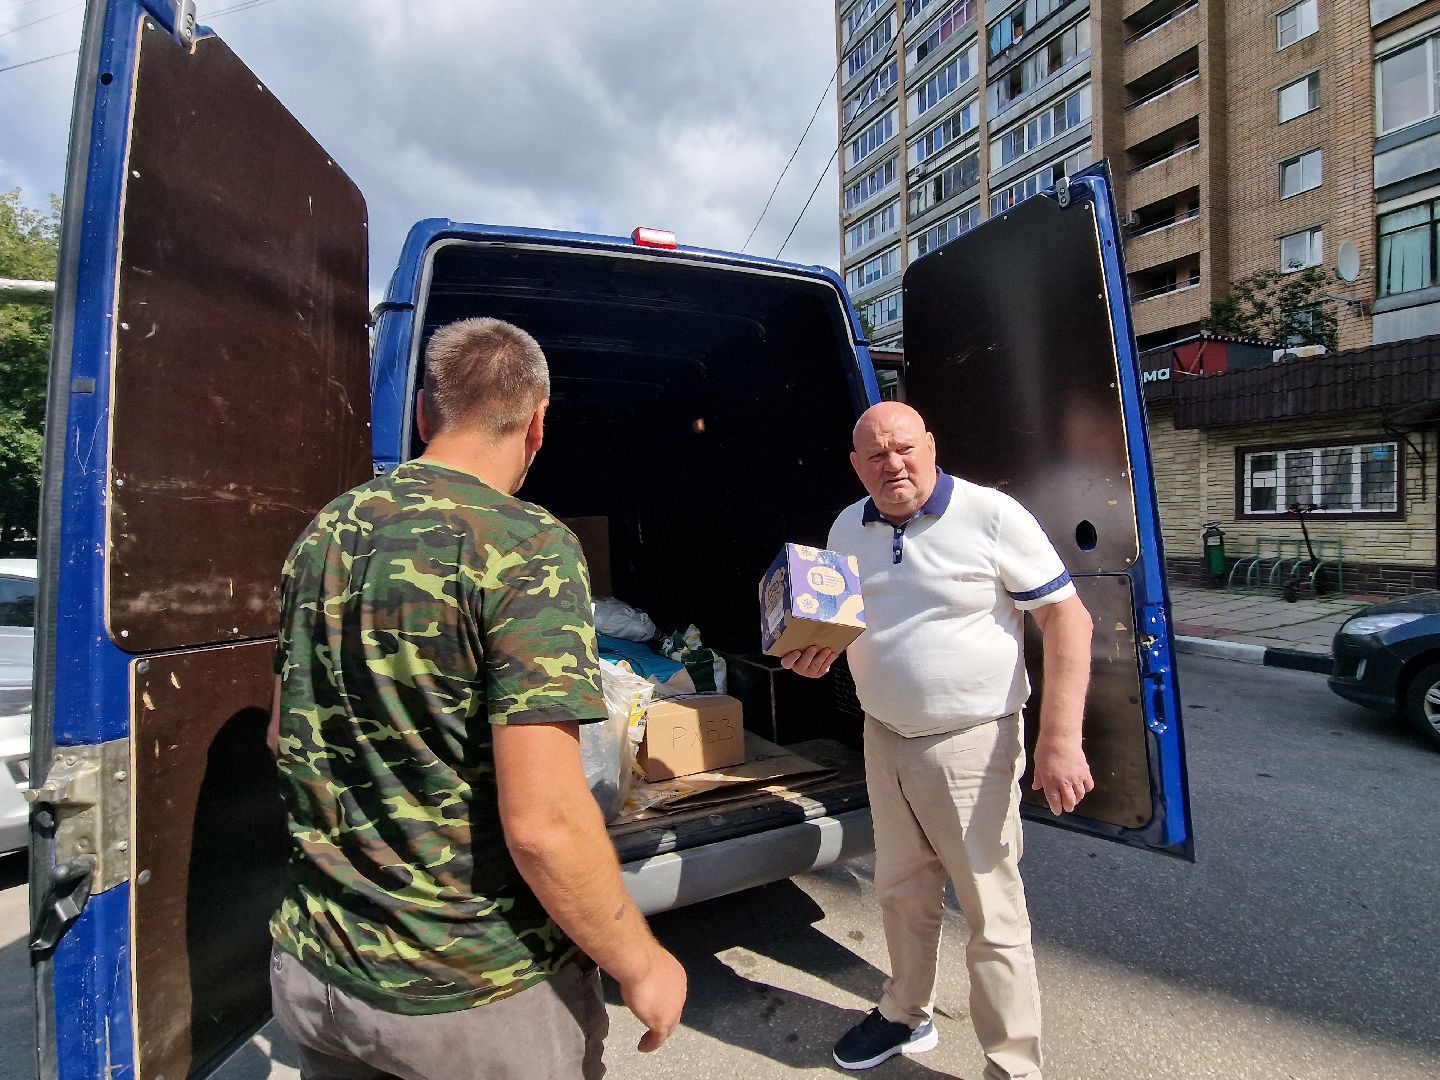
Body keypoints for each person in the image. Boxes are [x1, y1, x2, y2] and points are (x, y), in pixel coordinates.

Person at [266, 317, 686, 1079]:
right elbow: (545, 823)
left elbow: (281, 736)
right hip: (470, 994)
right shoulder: (525, 543)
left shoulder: (324, 531)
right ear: (537, 423)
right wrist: (642, 961)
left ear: (425, 414)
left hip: (318, 971)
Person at [784, 401, 1093, 1079]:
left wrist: (1060, 739)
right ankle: (904, 1013)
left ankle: (1012, 1065)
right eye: (874, 454)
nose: (891, 463)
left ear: (930, 443)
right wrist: (817, 650)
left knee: (992, 911)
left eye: (903, 447)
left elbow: (1068, 621)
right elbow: (843, 618)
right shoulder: (847, 525)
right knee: (900, 891)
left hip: (972, 743)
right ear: (856, 465)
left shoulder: (991, 515)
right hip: (884, 735)